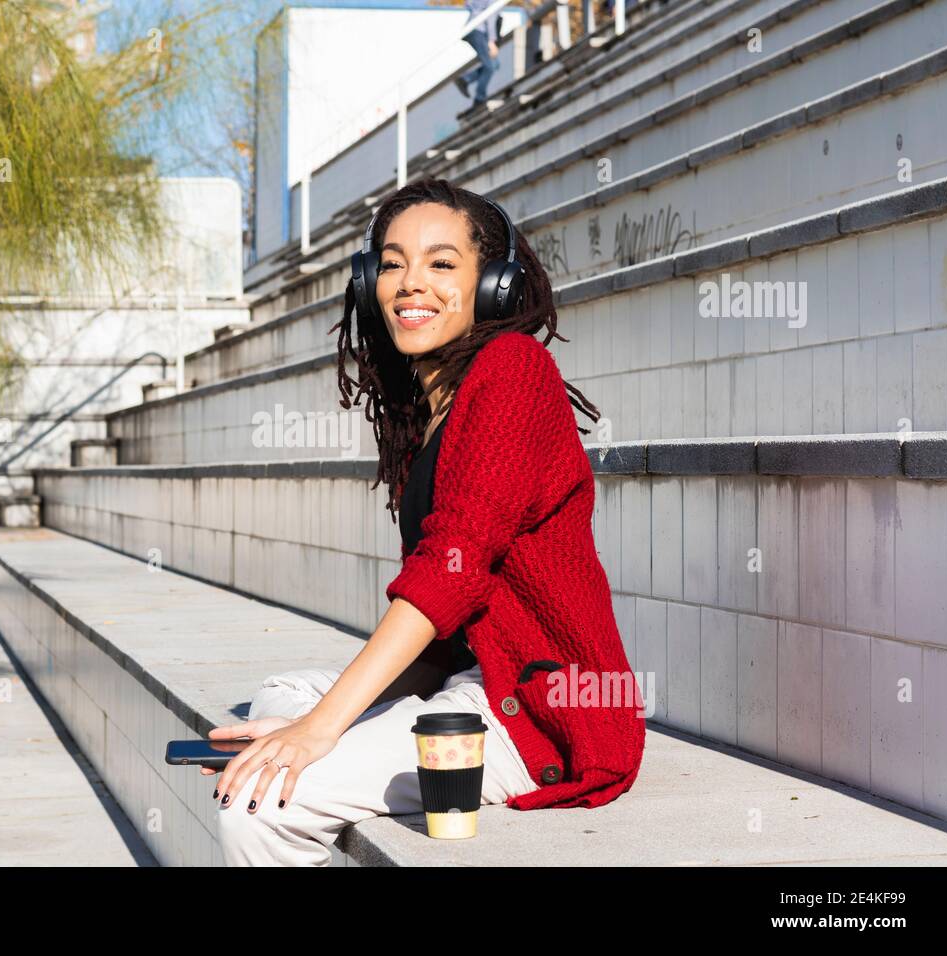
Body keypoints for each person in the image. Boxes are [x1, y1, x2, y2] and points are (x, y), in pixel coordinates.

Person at [204, 178, 646, 866]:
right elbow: (451, 632)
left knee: (260, 804)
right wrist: (313, 720)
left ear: (494, 285)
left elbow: (454, 569)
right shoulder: (429, 408)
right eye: (391, 262)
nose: (411, 283)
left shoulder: (514, 370)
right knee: (276, 701)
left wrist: (323, 732)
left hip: (536, 717)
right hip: (468, 683)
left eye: (442, 264)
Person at [454, 0, 500, 107]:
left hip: (476, 29)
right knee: (489, 67)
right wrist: (491, 41)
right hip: (477, 30)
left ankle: (465, 79)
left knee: (495, 64)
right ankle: (480, 98)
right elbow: (490, 16)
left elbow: (469, 4)